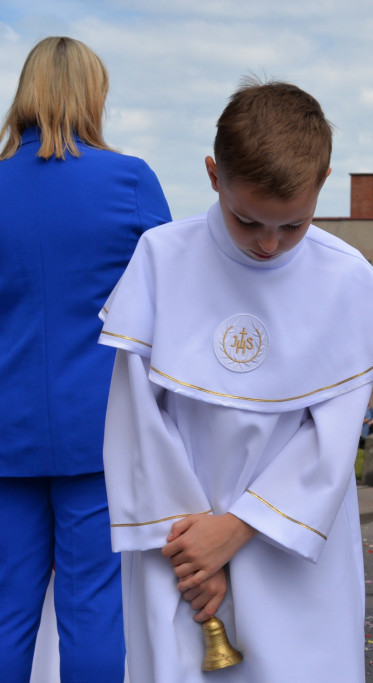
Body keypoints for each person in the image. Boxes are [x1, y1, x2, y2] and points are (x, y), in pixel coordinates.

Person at [98, 79, 373, 682]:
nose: (269, 245)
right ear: (215, 175)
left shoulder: (346, 279)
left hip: (291, 548)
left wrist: (236, 530)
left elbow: (331, 441)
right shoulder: (161, 259)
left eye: (292, 227)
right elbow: (137, 418)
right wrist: (196, 550)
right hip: (179, 547)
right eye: (248, 221)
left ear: (321, 185)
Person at [0, 36, 171, 682]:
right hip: (98, 429)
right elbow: (171, 298)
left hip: (5, 431)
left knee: (6, 612)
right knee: (93, 609)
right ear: (93, 96)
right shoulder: (128, 180)